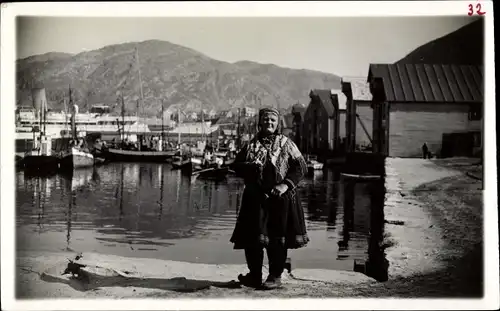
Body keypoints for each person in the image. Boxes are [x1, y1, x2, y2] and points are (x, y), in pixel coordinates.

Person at [230, 107, 309, 290]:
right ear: (260, 122)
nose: (269, 123)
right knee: (253, 240)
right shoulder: (251, 144)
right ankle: (254, 275)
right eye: (266, 120)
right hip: (255, 199)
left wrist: (284, 185)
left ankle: (275, 275)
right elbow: (236, 166)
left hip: (280, 199)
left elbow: (301, 167)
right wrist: (250, 167)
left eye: (273, 120)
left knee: (277, 239)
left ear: (278, 123)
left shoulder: (286, 143)